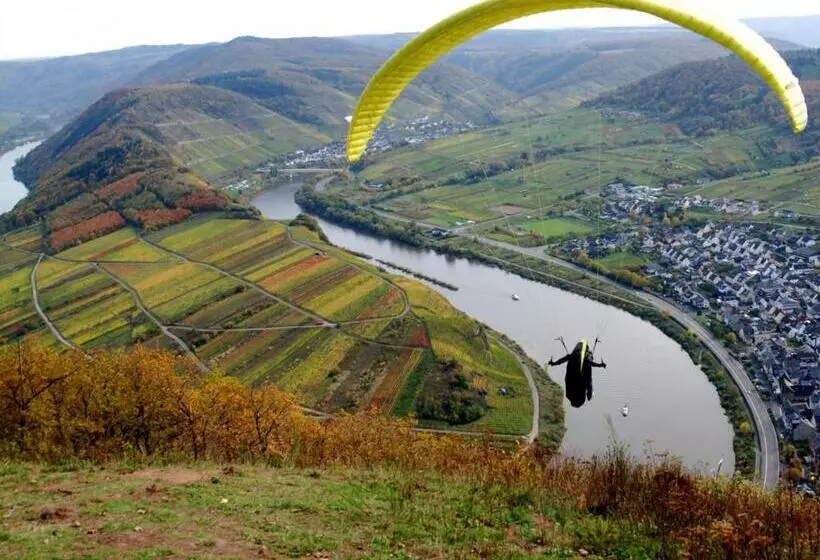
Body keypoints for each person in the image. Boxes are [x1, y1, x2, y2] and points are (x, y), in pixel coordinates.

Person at [548, 339, 606, 408]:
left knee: (584, 381)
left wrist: (554, 363)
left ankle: (587, 395)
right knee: (589, 380)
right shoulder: (587, 356)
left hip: (572, 382)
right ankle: (589, 395)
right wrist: (600, 365)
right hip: (581, 382)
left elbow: (562, 360)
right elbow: (592, 363)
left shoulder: (573, 355)